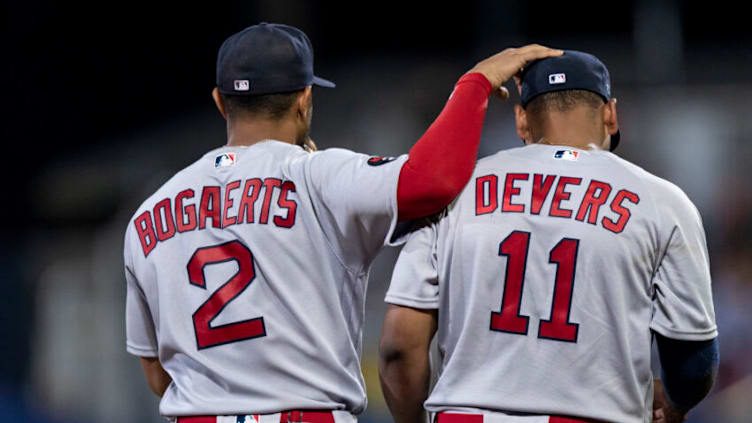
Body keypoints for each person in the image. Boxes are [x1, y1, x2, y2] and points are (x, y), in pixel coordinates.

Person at [123, 22, 562, 422]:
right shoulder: (318, 175)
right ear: (304, 99)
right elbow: (430, 181)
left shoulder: (148, 214)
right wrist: (476, 83)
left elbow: (158, 372)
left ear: (220, 102)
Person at [378, 50, 719, 423]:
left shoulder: (455, 189)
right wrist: (674, 402)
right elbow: (693, 362)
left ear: (522, 120)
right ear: (610, 114)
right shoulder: (662, 201)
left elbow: (400, 346)